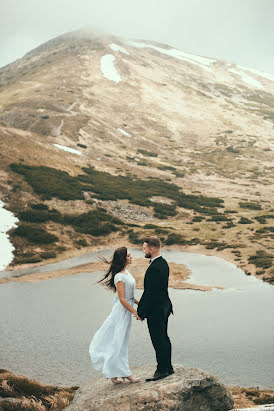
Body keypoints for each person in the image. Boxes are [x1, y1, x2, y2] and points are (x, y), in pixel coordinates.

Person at [89, 246, 142, 384]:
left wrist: (140, 304)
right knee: (119, 342)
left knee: (118, 341)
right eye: (129, 255)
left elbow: (130, 297)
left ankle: (113, 375)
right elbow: (122, 299)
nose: (131, 257)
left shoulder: (126, 272)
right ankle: (126, 374)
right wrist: (135, 312)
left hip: (125, 310)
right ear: (123, 258)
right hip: (121, 312)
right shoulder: (119, 276)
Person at [137, 237, 174, 381]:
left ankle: (161, 370)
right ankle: (168, 367)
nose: (143, 250)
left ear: (151, 250)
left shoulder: (154, 267)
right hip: (164, 306)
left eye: (144, 248)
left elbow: (149, 292)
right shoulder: (163, 263)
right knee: (164, 337)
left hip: (156, 309)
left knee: (158, 339)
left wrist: (141, 312)